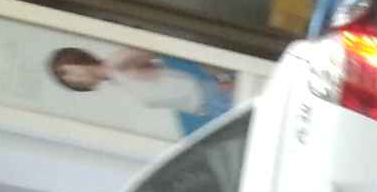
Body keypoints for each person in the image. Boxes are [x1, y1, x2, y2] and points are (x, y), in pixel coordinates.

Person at [45, 45, 237, 136]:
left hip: (213, 94)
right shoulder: (115, 76)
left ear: (76, 62)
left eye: (68, 73)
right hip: (208, 106)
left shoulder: (117, 63)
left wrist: (219, 78)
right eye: (68, 81)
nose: (74, 80)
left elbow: (167, 47)